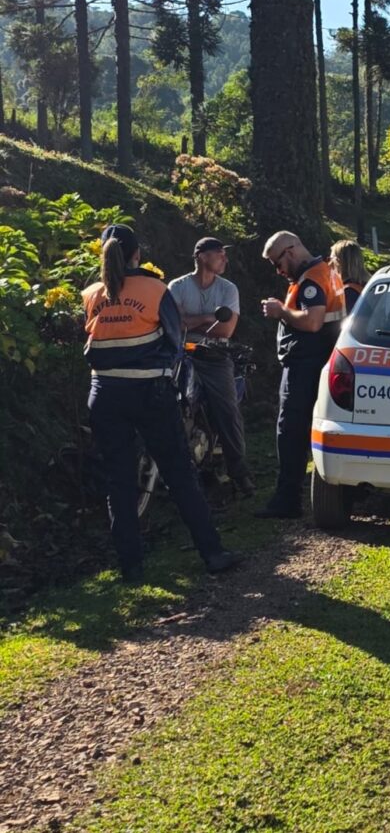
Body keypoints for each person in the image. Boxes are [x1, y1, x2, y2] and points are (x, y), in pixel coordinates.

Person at [82, 224, 242, 583]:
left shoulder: (92, 294)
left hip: (104, 395)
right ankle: (213, 554)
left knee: (119, 481)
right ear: (137, 254)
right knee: (179, 474)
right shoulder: (155, 289)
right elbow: (174, 339)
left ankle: (131, 569)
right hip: (149, 393)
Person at [257, 231, 344, 518]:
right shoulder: (327, 273)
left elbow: (312, 321)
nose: (278, 270)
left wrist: (281, 311)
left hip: (304, 365)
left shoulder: (311, 281)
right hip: (319, 362)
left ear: (291, 251)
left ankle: (287, 500)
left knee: (291, 431)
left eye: (276, 263)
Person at [168, 237, 255, 497]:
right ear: (202, 256)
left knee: (227, 410)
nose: (225, 259)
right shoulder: (178, 286)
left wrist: (191, 321)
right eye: (220, 254)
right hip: (181, 352)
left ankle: (239, 472)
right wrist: (207, 319)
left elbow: (226, 328)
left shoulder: (229, 290)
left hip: (215, 354)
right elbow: (173, 325)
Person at [330, 239, 369, 316]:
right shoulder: (371, 285)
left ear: (338, 262)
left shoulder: (348, 292)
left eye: (331, 259)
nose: (329, 263)